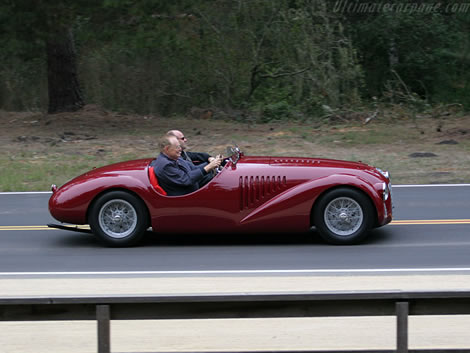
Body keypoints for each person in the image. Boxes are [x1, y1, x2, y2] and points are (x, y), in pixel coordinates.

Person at [150, 135, 222, 196]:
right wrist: (209, 167)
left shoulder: (174, 157)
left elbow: (193, 169)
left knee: (218, 177)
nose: (180, 149)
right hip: (186, 195)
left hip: (193, 186)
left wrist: (212, 163)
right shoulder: (165, 165)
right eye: (177, 147)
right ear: (167, 149)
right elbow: (186, 179)